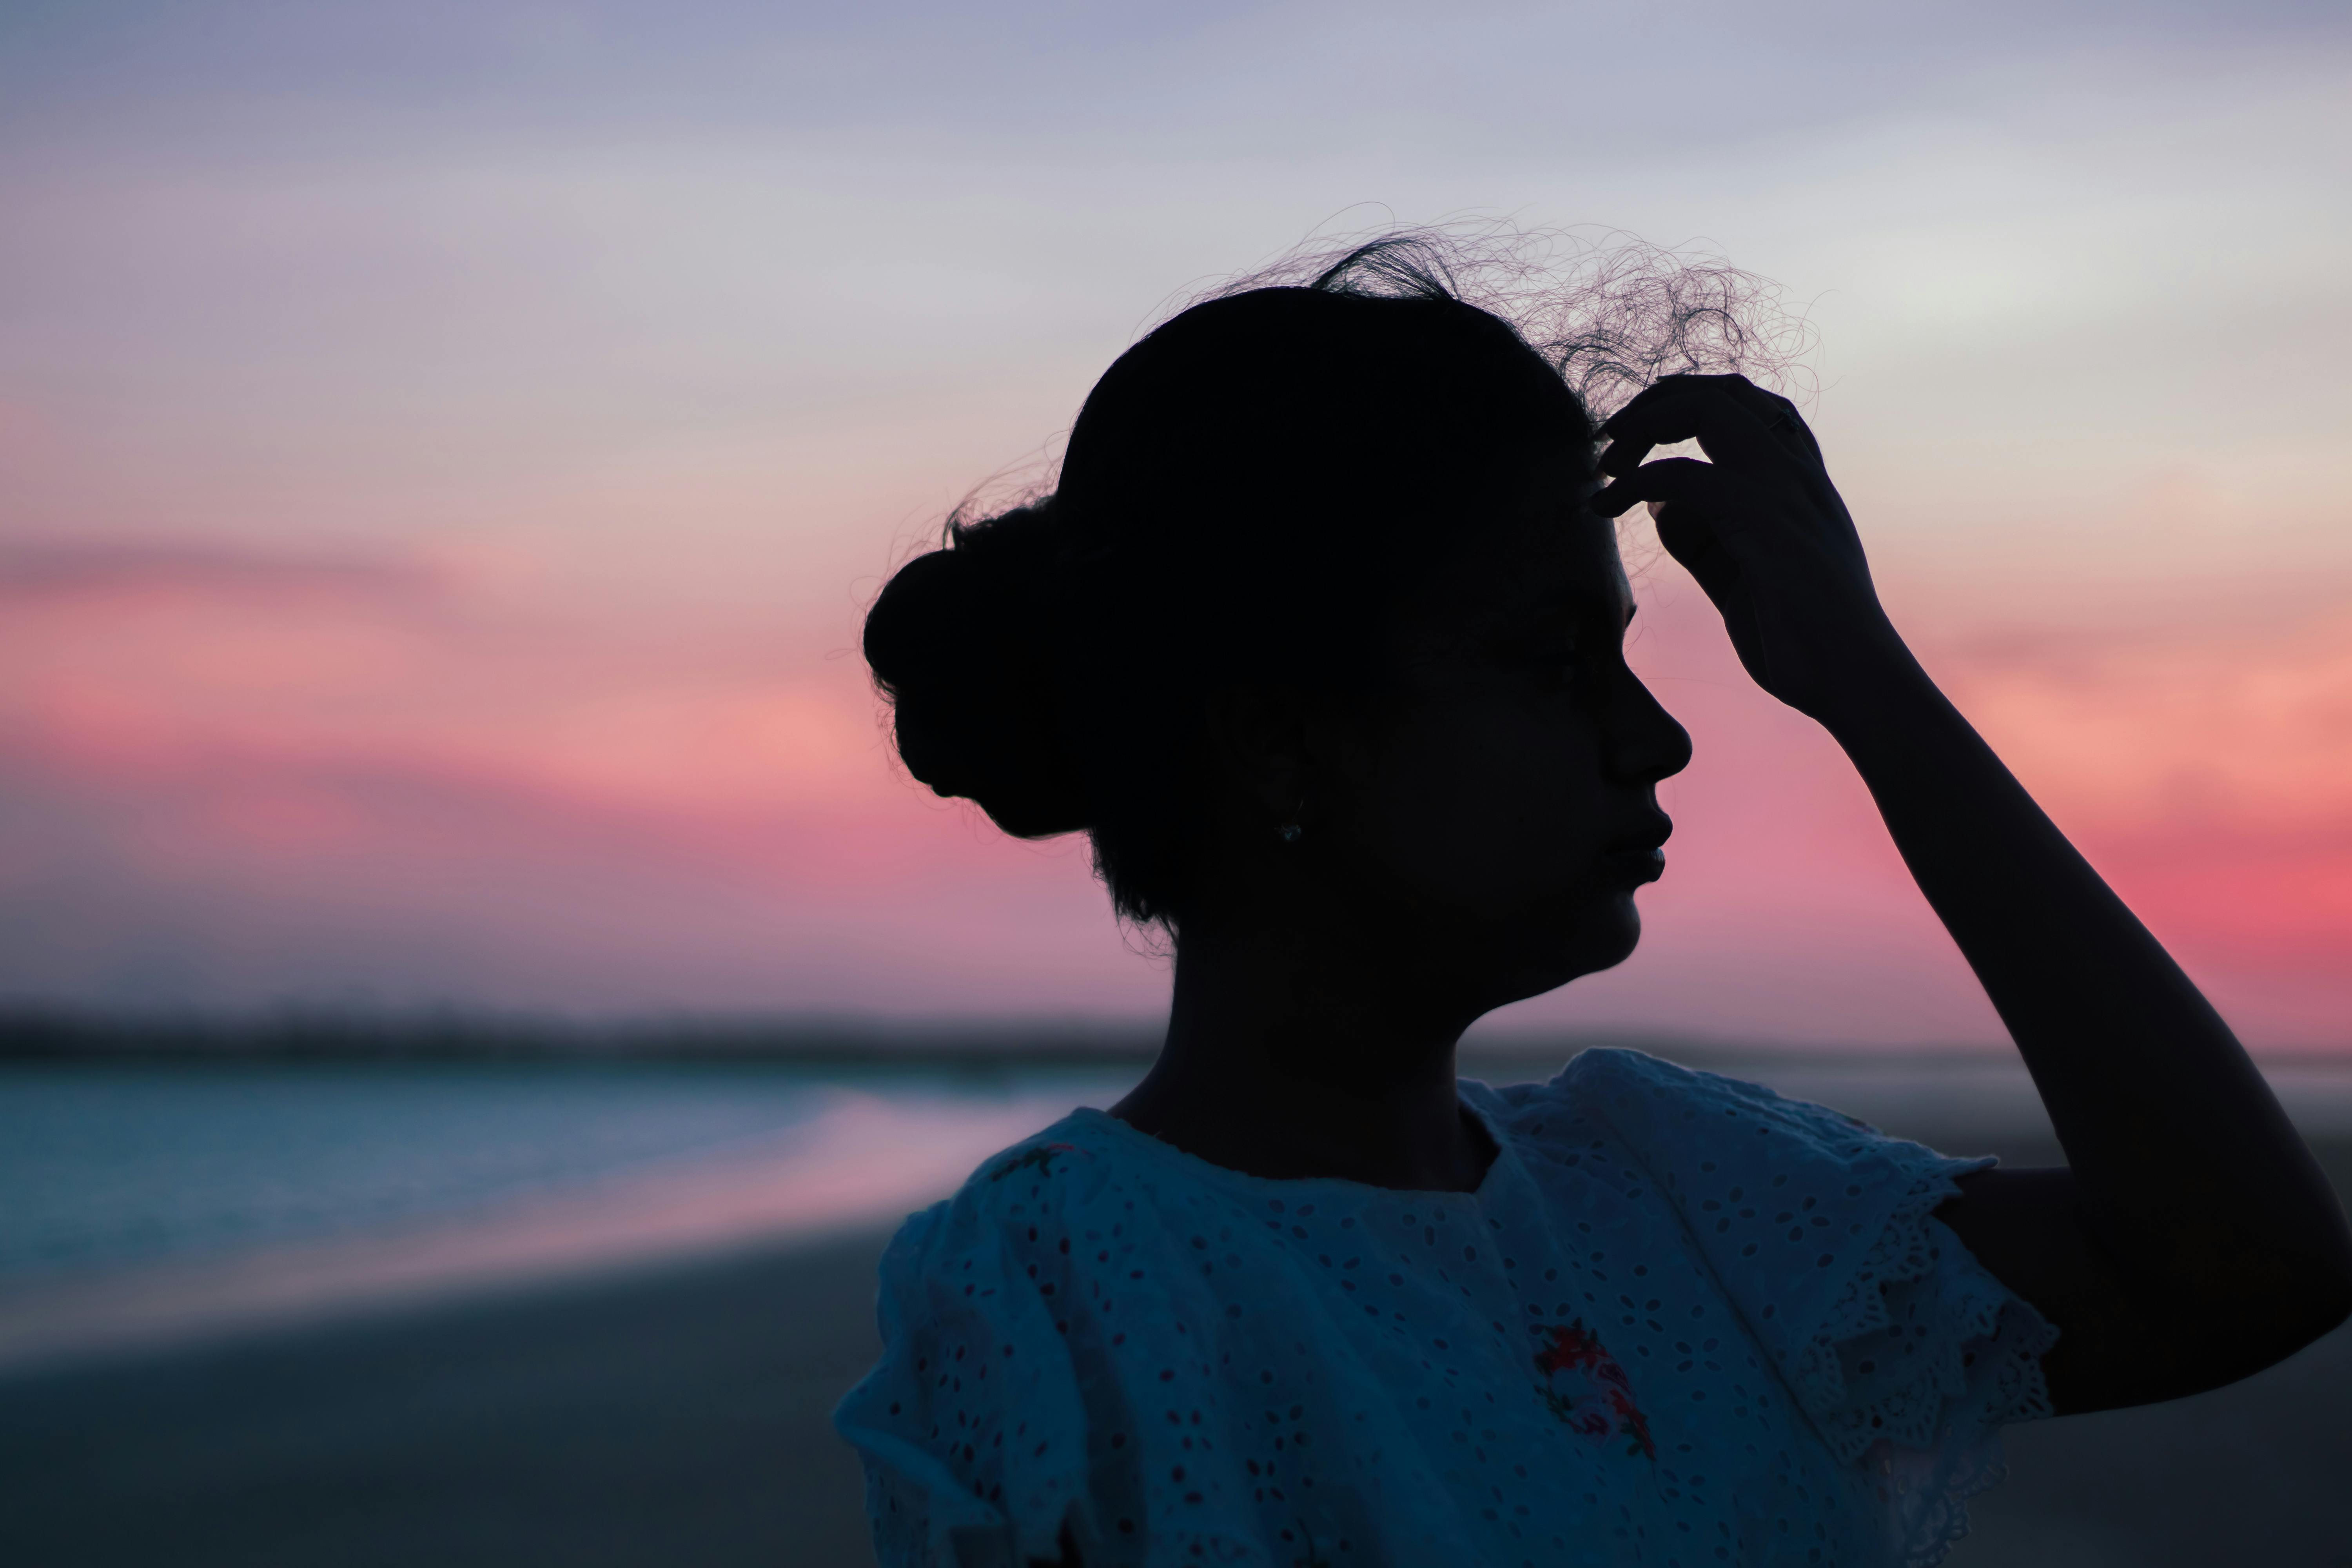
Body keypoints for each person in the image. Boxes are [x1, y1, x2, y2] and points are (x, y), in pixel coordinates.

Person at [833, 235, 2352, 1567]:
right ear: (1282, 736)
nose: (1658, 737)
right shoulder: (1068, 1288)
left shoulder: (1676, 1183)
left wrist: (1863, 673)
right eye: (1555, 657)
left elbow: (2246, 1263)